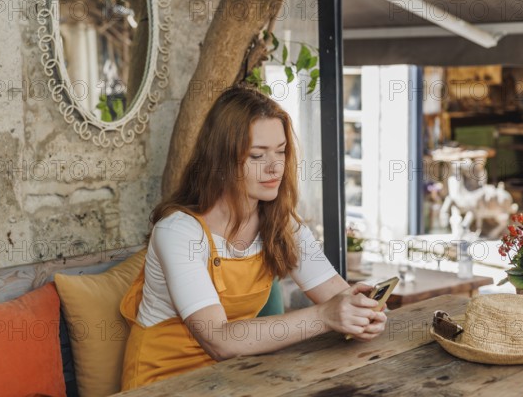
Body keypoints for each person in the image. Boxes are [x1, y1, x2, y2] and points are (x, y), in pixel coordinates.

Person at [120, 86, 387, 390]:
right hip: (161, 384)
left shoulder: (281, 224)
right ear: (220, 161)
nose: (275, 167)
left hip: (233, 379)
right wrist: (326, 317)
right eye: (257, 155)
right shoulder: (178, 232)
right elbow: (219, 340)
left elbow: (336, 296)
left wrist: (364, 313)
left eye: (281, 151)